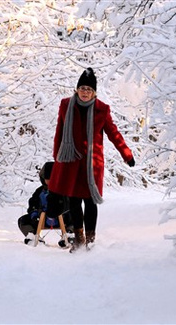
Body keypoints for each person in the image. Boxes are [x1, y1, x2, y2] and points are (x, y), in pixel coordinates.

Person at [47, 67, 135, 252]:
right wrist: (57, 157)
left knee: (90, 202)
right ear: (76, 89)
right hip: (71, 161)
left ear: (94, 92)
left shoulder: (102, 110)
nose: (85, 92)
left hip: (91, 165)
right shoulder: (65, 105)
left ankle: (91, 240)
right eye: (82, 89)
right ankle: (79, 240)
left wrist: (126, 154)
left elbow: (113, 133)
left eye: (89, 90)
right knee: (73, 201)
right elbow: (59, 132)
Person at [18, 162, 72, 245]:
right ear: (43, 178)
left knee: (76, 216)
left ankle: (70, 234)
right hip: (41, 218)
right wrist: (34, 214)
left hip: (63, 217)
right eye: (48, 179)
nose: (51, 181)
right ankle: (33, 235)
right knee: (23, 220)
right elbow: (33, 204)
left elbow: (69, 204)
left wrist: (65, 211)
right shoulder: (40, 191)